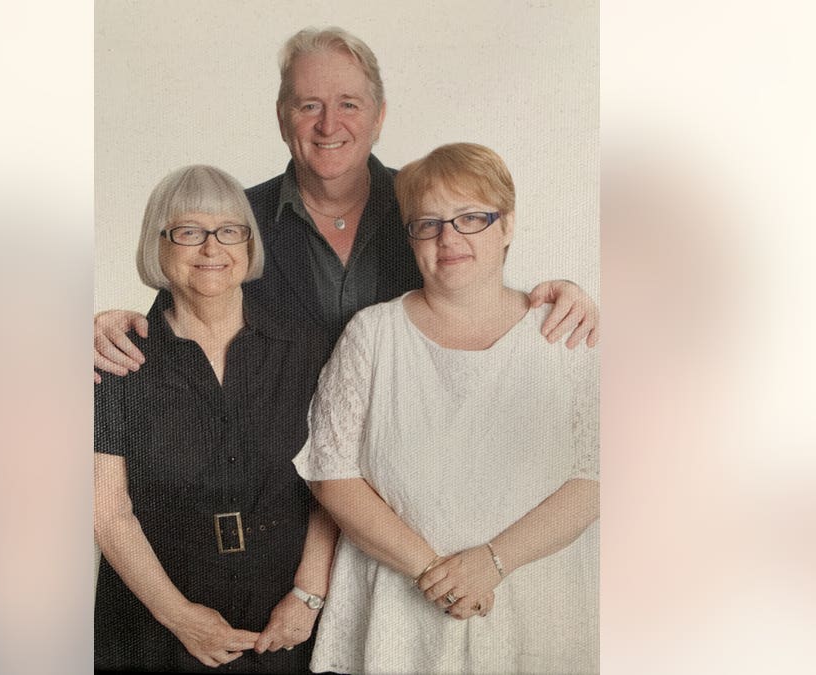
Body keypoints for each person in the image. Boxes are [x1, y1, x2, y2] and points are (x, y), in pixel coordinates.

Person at [93, 27, 599, 383]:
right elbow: (177, 326)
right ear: (282, 118)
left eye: (349, 105)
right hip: (274, 486)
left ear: (378, 117)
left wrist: (562, 296)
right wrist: (112, 329)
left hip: (402, 472)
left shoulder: (430, 214)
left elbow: (488, 292)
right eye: (309, 105)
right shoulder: (233, 225)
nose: (329, 125)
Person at [294, 143, 599, 674]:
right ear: (409, 237)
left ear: (507, 226)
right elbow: (331, 474)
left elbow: (596, 476)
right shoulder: (372, 334)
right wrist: (433, 571)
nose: (449, 238)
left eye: (471, 218)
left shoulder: (562, 333)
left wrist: (492, 563)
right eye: (428, 223)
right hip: (398, 603)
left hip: (533, 600)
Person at [93, 165, 338, 673]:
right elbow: (107, 511)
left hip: (285, 616)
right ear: (157, 246)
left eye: (230, 231)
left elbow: (333, 483)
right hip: (152, 623)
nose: (212, 248)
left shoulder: (307, 349)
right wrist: (178, 616)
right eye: (188, 232)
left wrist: (308, 596)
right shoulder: (116, 359)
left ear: (249, 246)